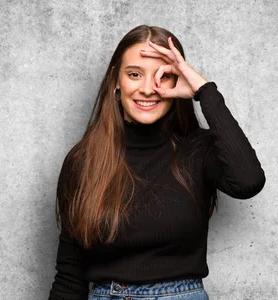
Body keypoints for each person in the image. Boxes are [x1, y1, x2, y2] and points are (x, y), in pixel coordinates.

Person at [48, 25, 265, 300]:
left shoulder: (199, 149)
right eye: (135, 74)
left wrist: (203, 91)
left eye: (164, 76)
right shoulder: (84, 160)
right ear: (116, 79)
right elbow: (69, 275)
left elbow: (249, 181)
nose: (148, 89)